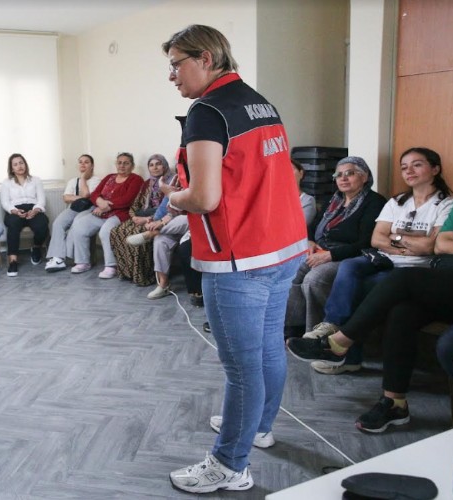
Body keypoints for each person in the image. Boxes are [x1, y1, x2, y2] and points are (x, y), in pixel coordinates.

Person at [162, 25, 307, 494]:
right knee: (266, 350)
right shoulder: (259, 101)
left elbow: (204, 197)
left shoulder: (205, 112)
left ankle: (229, 464)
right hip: (282, 248)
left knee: (242, 369)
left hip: (239, 258)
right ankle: (259, 428)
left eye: (176, 64)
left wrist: (173, 197)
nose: (172, 76)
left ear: (205, 58)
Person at [288, 196, 453, 432]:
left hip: (445, 277)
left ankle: (338, 343)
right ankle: (395, 402)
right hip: (446, 276)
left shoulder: (444, 202)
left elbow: (436, 245)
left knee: (403, 278)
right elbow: (443, 244)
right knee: (402, 312)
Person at [301, 147, 453, 343]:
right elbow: (377, 239)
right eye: (404, 167)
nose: (409, 171)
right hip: (383, 259)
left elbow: (429, 246)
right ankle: (329, 324)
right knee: (349, 267)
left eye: (417, 165)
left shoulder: (446, 204)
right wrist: (405, 241)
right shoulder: (397, 201)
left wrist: (394, 236)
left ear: (435, 169)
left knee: (353, 286)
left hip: (414, 267)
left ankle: (343, 350)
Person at [284, 156, 387, 365]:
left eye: (350, 173)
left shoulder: (374, 202)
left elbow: (367, 241)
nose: (343, 178)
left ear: (365, 176)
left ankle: (316, 340)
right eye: (339, 174)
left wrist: (330, 255)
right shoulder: (335, 200)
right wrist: (310, 241)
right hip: (322, 250)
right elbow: (314, 226)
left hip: (350, 256)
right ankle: (291, 328)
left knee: (314, 279)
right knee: (291, 270)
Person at [67, 153, 145, 277]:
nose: (122, 165)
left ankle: (110, 265)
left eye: (126, 163)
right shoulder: (109, 177)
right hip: (100, 211)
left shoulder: (136, 179)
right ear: (116, 164)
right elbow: (94, 194)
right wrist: (99, 202)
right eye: (119, 162)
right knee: (79, 226)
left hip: (120, 214)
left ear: (132, 166)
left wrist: (106, 206)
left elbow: (128, 200)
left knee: (105, 231)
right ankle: (83, 262)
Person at [109, 154, 174, 286]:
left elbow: (170, 206)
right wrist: (134, 217)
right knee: (116, 231)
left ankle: (142, 275)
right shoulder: (146, 184)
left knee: (137, 234)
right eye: (151, 165)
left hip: (158, 218)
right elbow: (135, 204)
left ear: (164, 165)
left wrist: (147, 219)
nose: (155, 167)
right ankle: (128, 272)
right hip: (142, 216)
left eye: (158, 164)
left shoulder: (171, 182)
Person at [45, 154, 101, 272]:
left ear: (92, 166)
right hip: (74, 208)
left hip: (89, 210)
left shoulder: (97, 181)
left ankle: (62, 258)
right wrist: (79, 197)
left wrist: (83, 179)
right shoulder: (72, 181)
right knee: (58, 223)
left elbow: (87, 195)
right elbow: (66, 198)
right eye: (80, 162)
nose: (83, 164)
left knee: (76, 224)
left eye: (86, 162)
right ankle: (57, 257)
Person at [0, 154, 49, 277]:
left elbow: (41, 199)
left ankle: (36, 248)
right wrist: (14, 211)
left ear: (25, 164)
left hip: (33, 208)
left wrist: (36, 209)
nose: (19, 166)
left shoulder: (36, 180)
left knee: (42, 224)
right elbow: (5, 202)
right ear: (12, 168)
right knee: (13, 225)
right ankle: (13, 261)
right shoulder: (6, 183)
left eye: (21, 163)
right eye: (15, 164)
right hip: (15, 210)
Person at [293, 159, 316, 227]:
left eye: (291, 169)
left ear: (301, 173)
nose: (287, 173)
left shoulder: (307, 201)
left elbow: (298, 227)